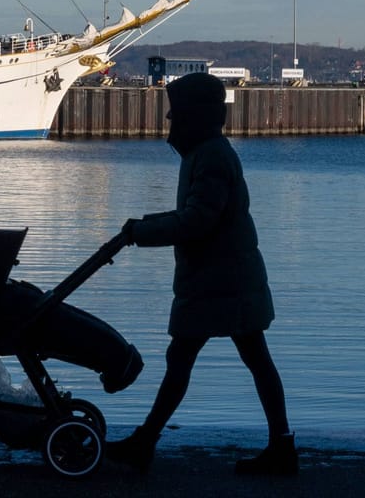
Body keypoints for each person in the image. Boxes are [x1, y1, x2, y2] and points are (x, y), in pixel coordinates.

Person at [108, 70, 296, 476]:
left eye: (175, 114)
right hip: (226, 278)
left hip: (220, 281)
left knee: (194, 359)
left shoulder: (210, 156)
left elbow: (197, 221)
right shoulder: (209, 152)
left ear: (195, 116)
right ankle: (281, 444)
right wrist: (146, 224)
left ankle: (146, 441)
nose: (169, 123)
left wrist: (142, 233)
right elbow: (194, 215)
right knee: (246, 358)